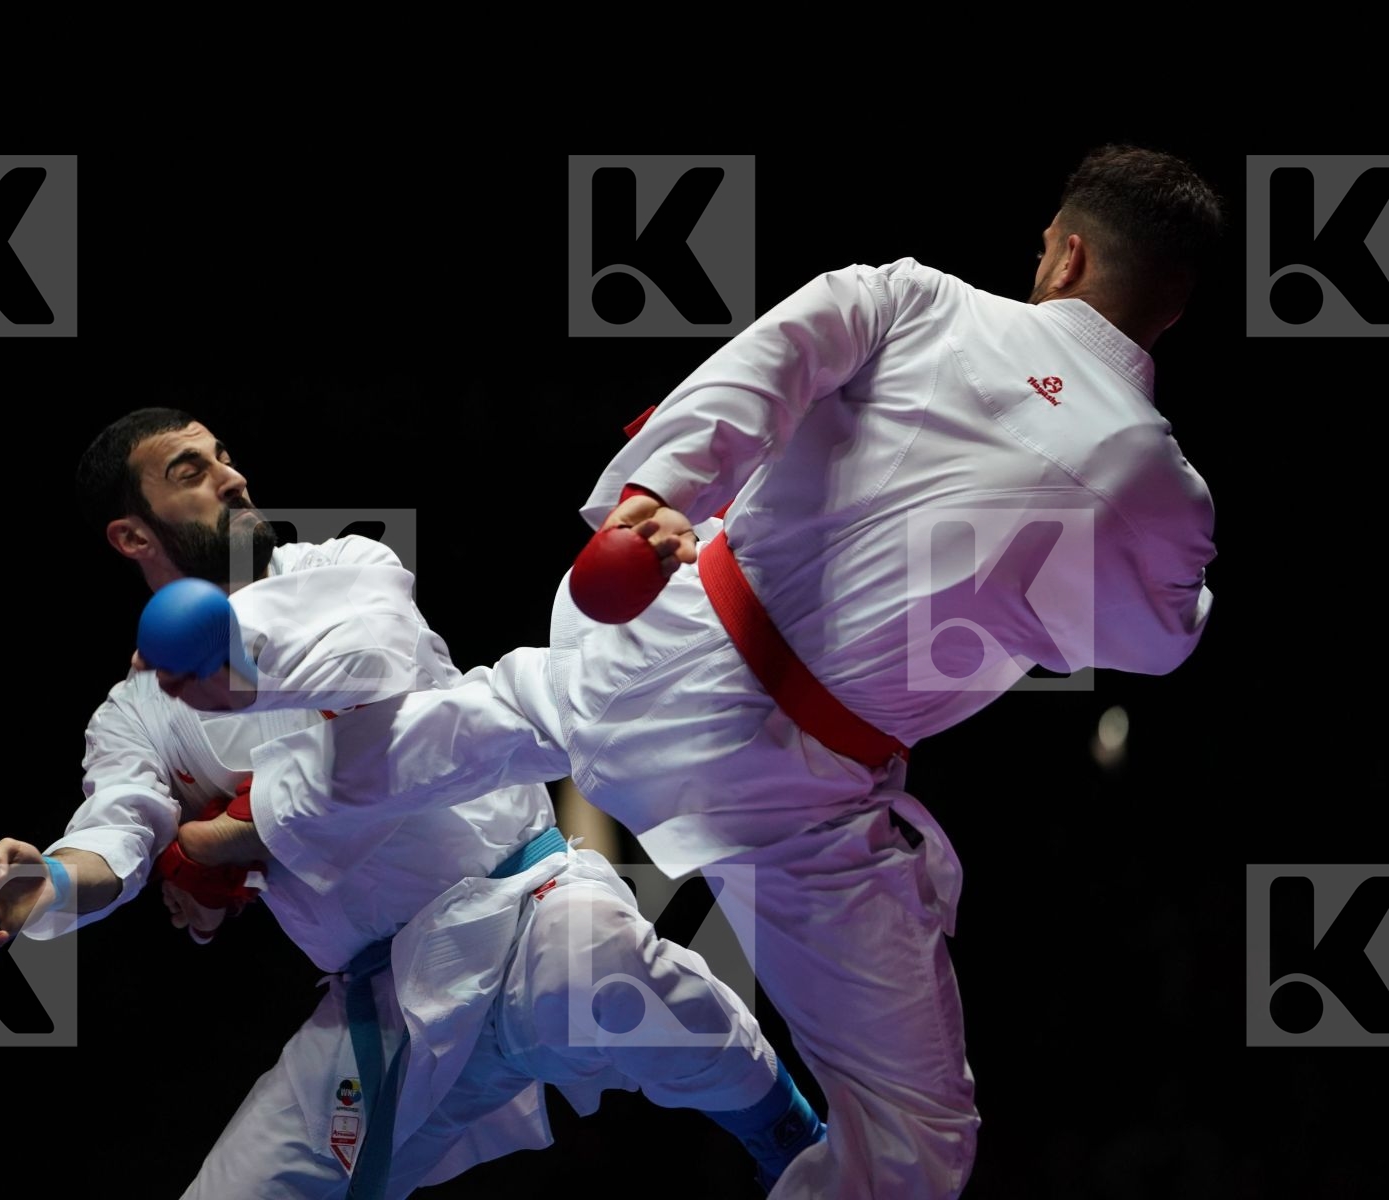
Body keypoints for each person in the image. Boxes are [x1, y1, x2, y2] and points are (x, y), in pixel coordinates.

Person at [185, 143, 1224, 1198]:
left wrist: (659, 488)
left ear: (1068, 254)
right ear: (1172, 311)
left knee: (472, 721)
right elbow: (1157, 642)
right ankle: (242, 808)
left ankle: (237, 798)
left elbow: (774, 364)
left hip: (664, 652)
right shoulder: (1161, 490)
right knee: (913, 1136)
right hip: (800, 791)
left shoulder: (914, 299)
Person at [0, 407, 827, 1199]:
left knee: (600, 962)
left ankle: (791, 1137)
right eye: (190, 471)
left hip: (523, 905)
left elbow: (372, 661)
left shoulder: (346, 564)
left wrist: (233, 826)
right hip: (381, 1001)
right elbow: (120, 833)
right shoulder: (134, 712)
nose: (231, 476)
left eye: (223, 455)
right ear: (132, 536)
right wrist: (40, 885)